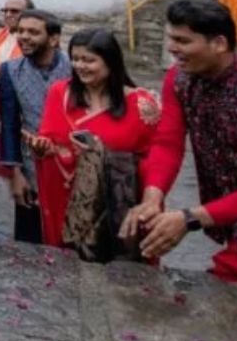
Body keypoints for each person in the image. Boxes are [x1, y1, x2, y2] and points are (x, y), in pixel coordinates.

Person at [120, 0, 237, 284]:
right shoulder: (180, 80)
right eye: (171, 38)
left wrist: (189, 218)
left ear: (219, 43)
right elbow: (168, 143)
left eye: (182, 40)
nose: (172, 48)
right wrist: (152, 197)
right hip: (233, 211)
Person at [30, 29, 159, 257]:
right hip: (67, 202)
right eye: (76, 59)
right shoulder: (60, 93)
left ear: (111, 62)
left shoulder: (142, 105)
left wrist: (106, 161)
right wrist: (44, 149)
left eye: (89, 60)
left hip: (115, 206)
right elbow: (50, 139)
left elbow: (155, 159)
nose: (80, 66)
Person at [0, 8, 72, 244]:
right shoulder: (10, 70)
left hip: (71, 167)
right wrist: (15, 173)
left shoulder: (74, 68)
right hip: (31, 168)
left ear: (53, 38)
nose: (24, 37)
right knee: (31, 242)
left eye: (33, 32)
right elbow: (9, 123)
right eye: (20, 31)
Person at [0, 0, 33, 76]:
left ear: (29, 14)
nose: (8, 14)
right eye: (5, 11)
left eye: (14, 11)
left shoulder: (36, 40)